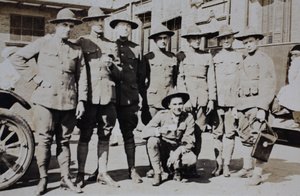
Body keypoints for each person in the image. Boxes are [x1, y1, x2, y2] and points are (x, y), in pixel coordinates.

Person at [10, 8, 87, 195]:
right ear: (56, 27)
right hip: (44, 101)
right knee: (44, 141)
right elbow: (16, 57)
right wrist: (35, 77)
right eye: (64, 25)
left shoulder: (76, 50)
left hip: (68, 102)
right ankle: (43, 180)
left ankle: (65, 178)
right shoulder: (43, 44)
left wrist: (82, 100)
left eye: (70, 26)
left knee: (65, 141)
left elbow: (82, 76)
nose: (67, 29)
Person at [75, 7, 122, 188]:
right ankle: (80, 173)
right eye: (96, 21)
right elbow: (77, 71)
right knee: (85, 135)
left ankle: (102, 173)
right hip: (89, 96)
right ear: (89, 23)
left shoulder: (112, 45)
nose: (100, 24)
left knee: (105, 135)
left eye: (102, 20)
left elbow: (119, 74)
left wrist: (111, 66)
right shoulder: (82, 42)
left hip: (108, 97)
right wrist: (80, 98)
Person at [234, 26, 276, 185]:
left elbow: (268, 84)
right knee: (245, 137)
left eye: (251, 41)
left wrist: (262, 109)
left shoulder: (264, 59)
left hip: (256, 105)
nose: (248, 45)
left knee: (259, 139)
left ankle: (257, 174)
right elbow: (238, 84)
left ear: (258, 41)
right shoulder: (243, 60)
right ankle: (247, 167)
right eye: (245, 42)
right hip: (243, 104)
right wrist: (235, 106)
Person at [177, 24, 216, 175]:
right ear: (188, 40)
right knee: (183, 132)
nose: (197, 41)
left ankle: (193, 166)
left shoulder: (207, 56)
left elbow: (211, 79)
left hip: (202, 99)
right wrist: (184, 99)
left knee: (198, 132)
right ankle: (180, 166)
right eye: (193, 38)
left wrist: (211, 99)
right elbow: (180, 78)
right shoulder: (182, 56)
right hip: (187, 99)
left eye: (198, 38)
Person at [141, 24, 177, 178]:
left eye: (165, 38)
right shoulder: (148, 57)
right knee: (152, 135)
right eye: (160, 39)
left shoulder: (173, 57)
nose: (163, 41)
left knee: (169, 133)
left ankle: (167, 165)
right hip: (153, 101)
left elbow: (175, 80)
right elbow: (142, 81)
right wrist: (144, 101)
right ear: (155, 41)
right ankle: (153, 166)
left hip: (168, 101)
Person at [142, 89, 196, 186]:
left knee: (191, 159)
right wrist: (159, 130)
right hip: (164, 148)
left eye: (180, 104)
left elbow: (189, 139)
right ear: (169, 105)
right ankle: (157, 173)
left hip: (177, 148)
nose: (178, 107)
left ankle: (177, 170)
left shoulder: (188, 117)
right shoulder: (161, 115)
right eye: (174, 104)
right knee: (152, 141)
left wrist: (177, 152)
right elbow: (144, 132)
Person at [212, 24, 242, 177]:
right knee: (217, 134)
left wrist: (238, 104)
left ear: (233, 38)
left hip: (232, 102)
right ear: (220, 40)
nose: (226, 40)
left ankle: (227, 165)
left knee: (229, 134)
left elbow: (241, 81)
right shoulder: (215, 57)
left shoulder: (239, 57)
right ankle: (217, 165)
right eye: (223, 38)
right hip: (217, 102)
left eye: (228, 37)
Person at [276, 45, 300, 128]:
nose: (293, 57)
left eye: (296, 55)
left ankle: (288, 111)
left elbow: (291, 77)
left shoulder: (296, 63)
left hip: (296, 86)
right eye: (292, 55)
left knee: (293, 99)